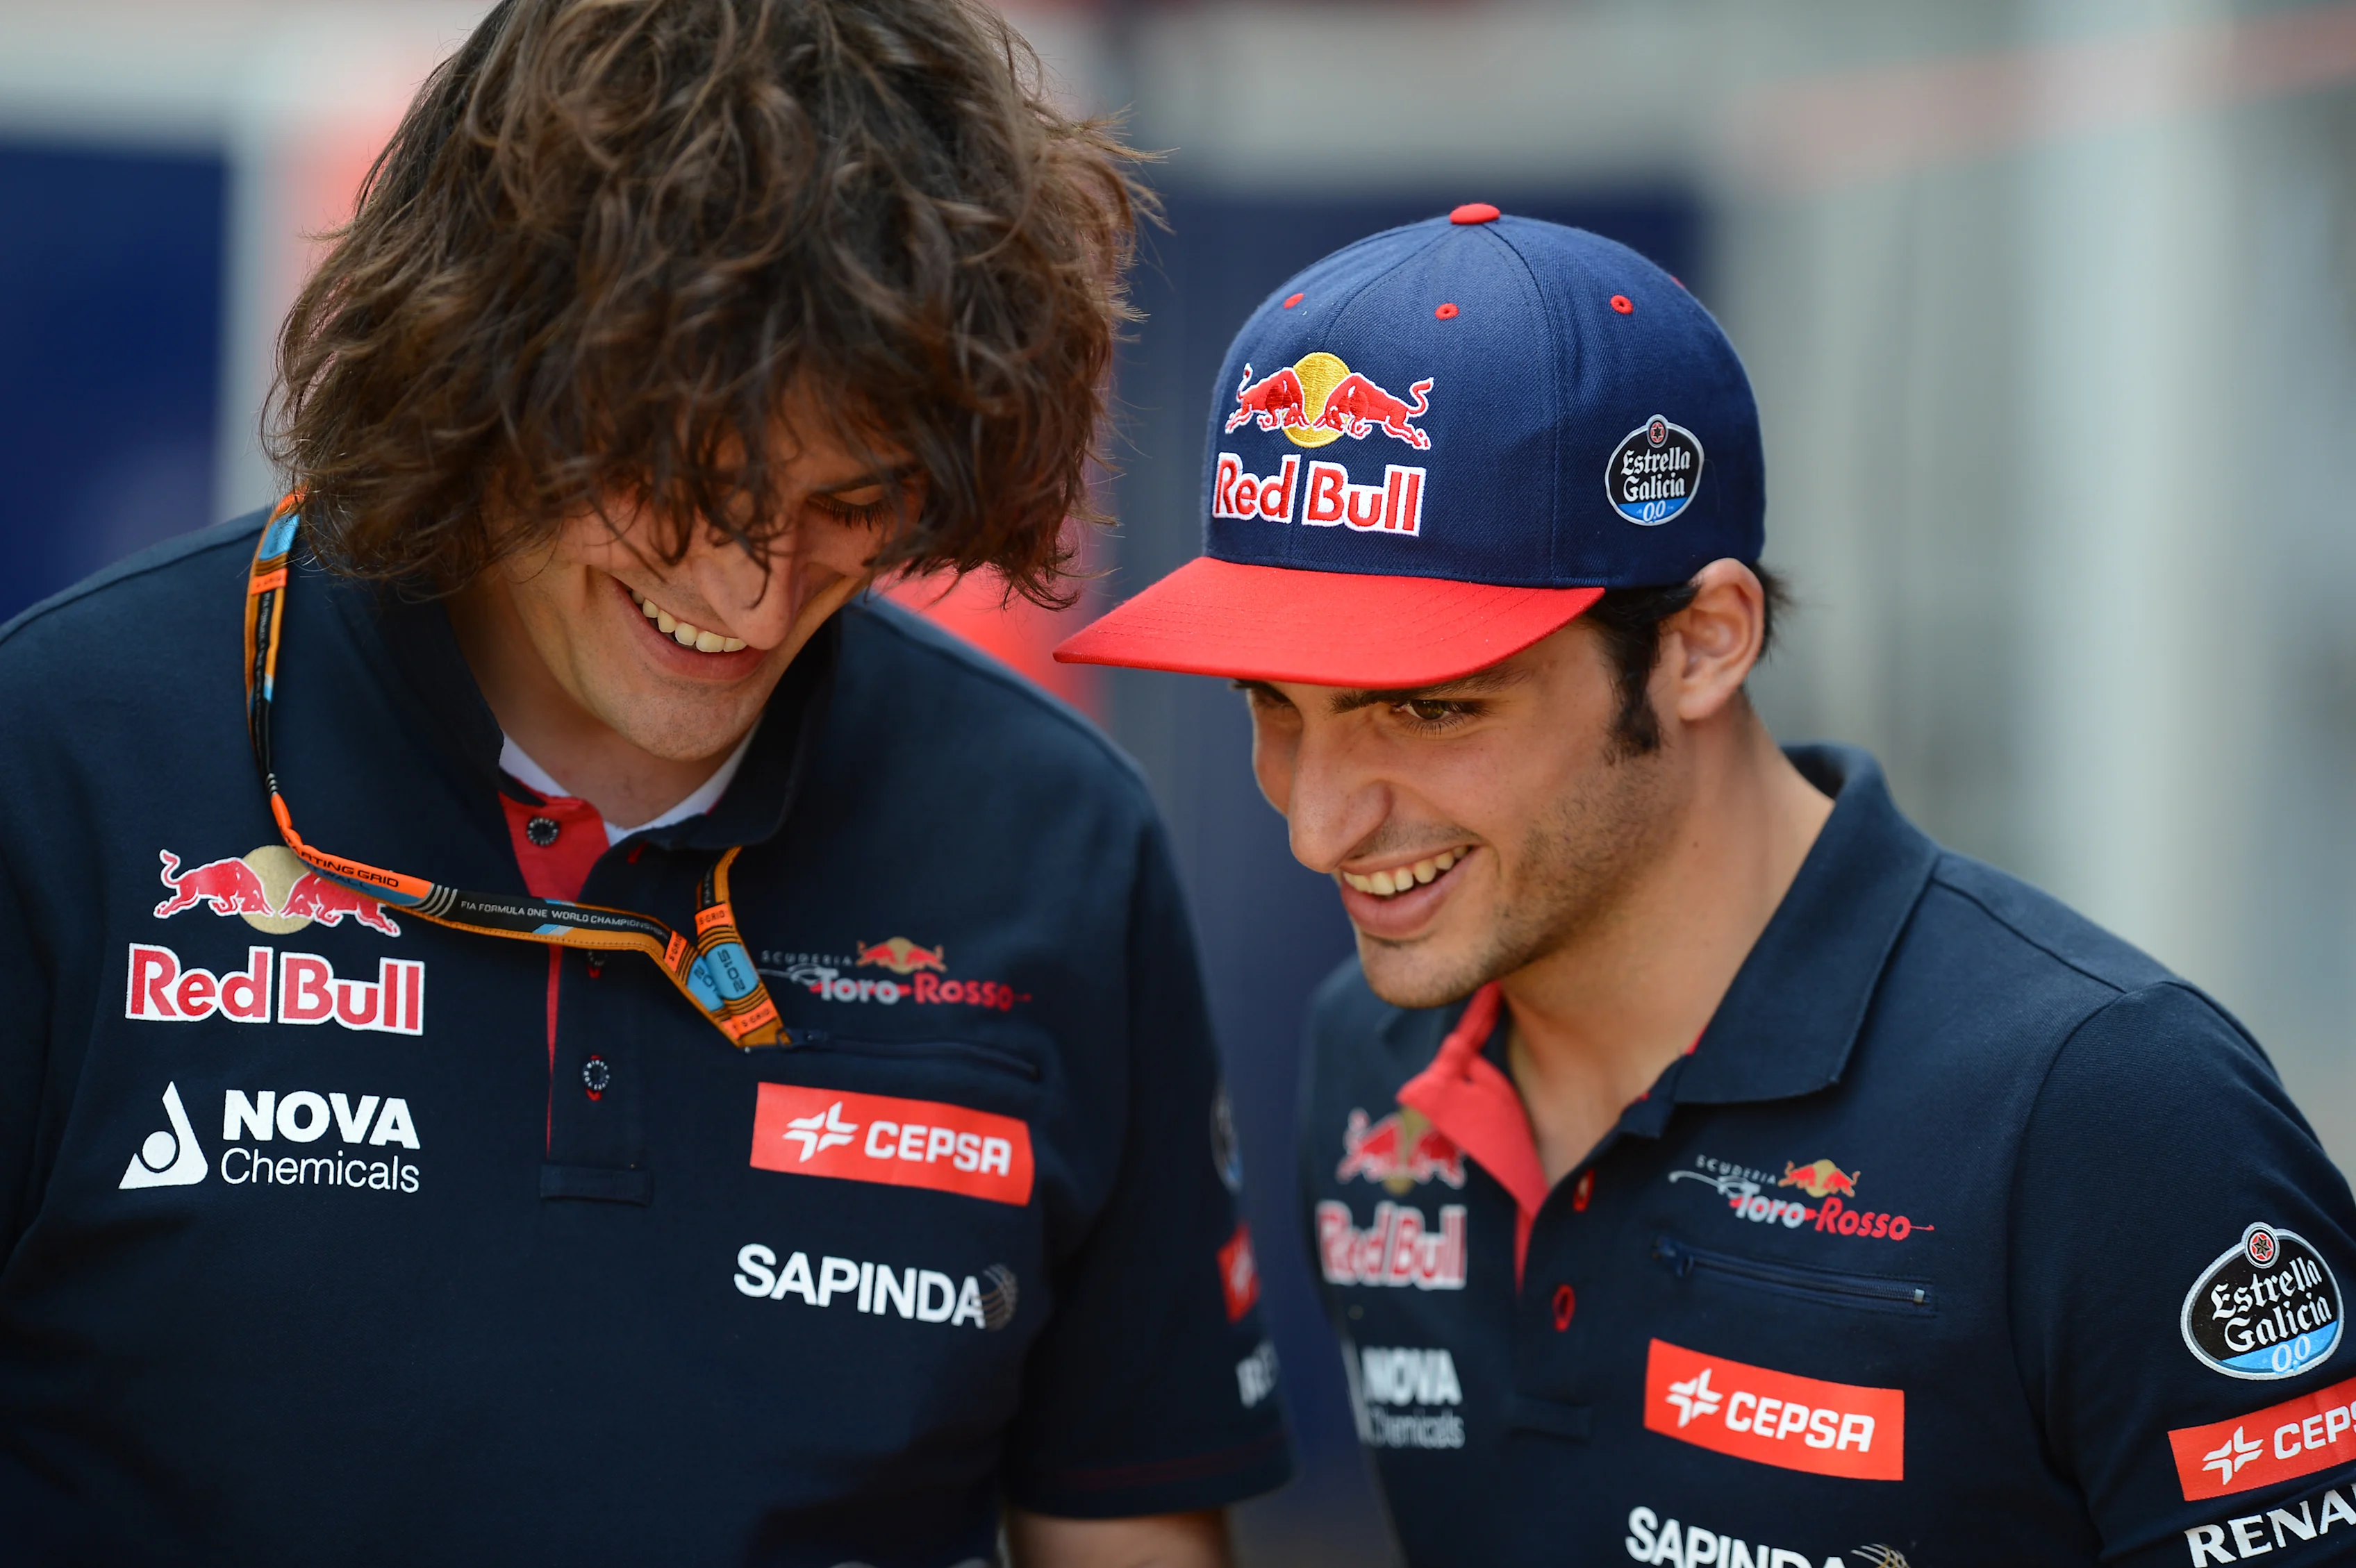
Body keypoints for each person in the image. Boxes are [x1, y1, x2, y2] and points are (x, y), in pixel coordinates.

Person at [0, 3, 1291, 1563]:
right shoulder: (65, 757)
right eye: (682, 486)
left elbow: (1127, 1518)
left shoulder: (1054, 845)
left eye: (850, 502)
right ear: (485, 372)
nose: (751, 597)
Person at [1055, 205, 2356, 1567]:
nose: (1320, 825)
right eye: (1276, 705)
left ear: (1700, 643)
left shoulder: (2110, 1108)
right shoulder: (1366, 1051)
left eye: (1428, 711)